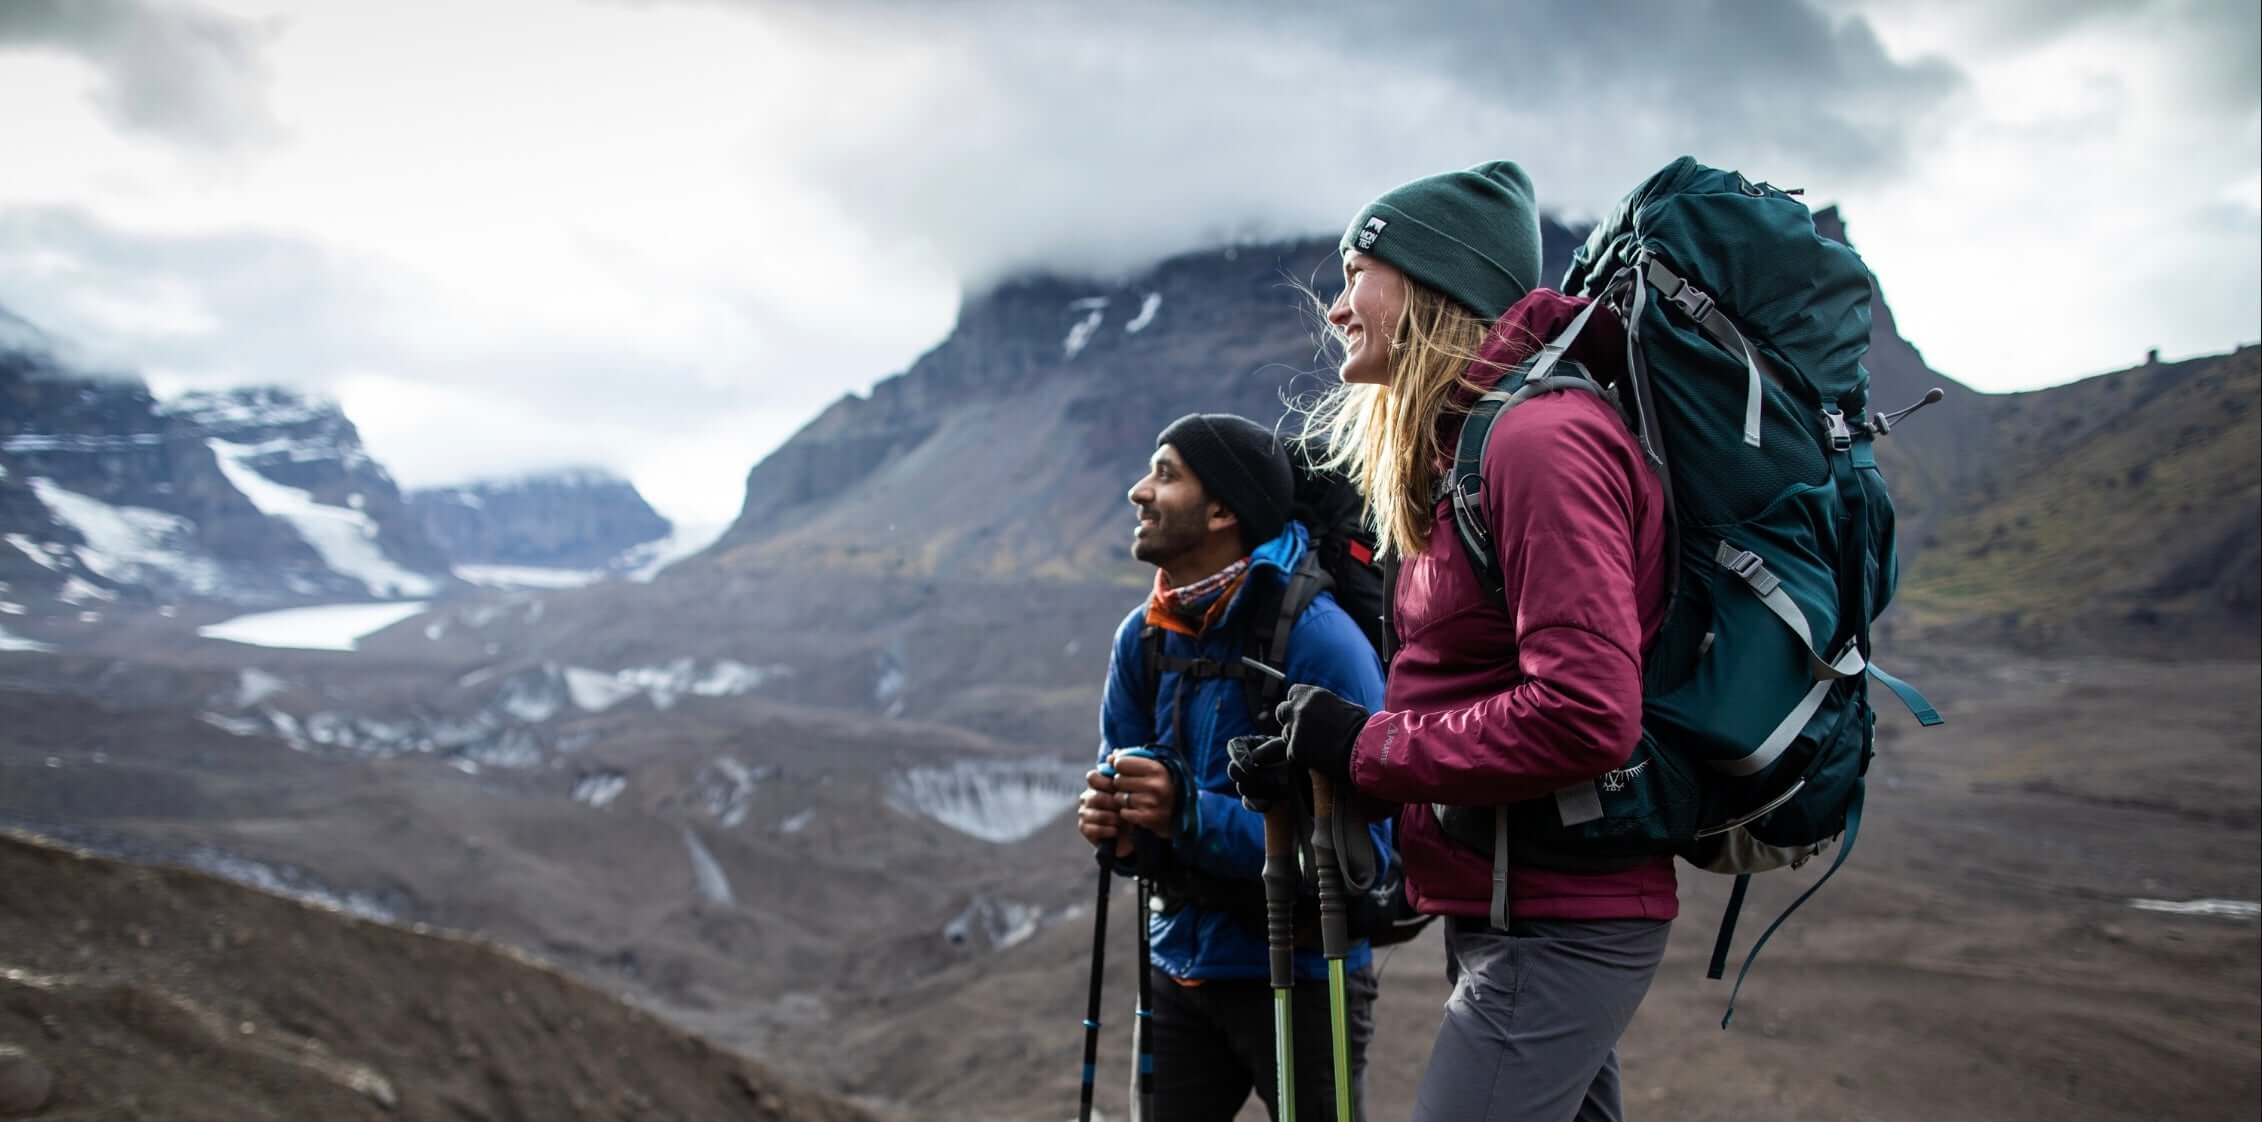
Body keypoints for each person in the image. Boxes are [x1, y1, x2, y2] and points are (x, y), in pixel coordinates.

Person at [1230, 161, 1677, 1121]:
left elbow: (1586, 716)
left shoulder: (1538, 444)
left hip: (1558, 917)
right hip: (1509, 905)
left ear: (1439, 283)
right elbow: (1476, 688)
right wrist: (1336, 765)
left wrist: (1369, 746)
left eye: (1359, 273)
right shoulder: (1470, 449)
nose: (1338, 308)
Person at [1077, 412, 1390, 1121]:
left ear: (1223, 509)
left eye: (1165, 474)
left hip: (1307, 976)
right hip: (1176, 967)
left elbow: (1364, 857)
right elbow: (1130, 802)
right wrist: (1118, 824)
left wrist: (1186, 811)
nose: (1138, 492)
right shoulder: (1144, 637)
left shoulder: (1322, 642)